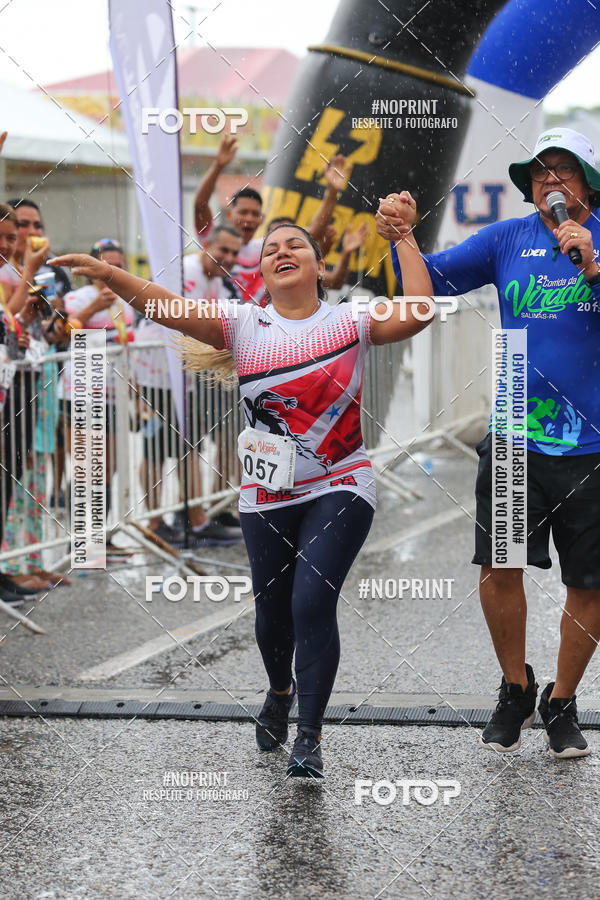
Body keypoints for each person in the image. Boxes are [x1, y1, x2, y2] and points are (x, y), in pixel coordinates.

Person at [50, 223, 434, 778]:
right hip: (266, 492)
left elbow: (419, 312)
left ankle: (309, 736)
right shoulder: (241, 325)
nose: (282, 252)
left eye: (295, 245)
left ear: (320, 268)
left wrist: (402, 238)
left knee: (310, 603)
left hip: (340, 483)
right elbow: (167, 307)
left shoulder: (352, 319)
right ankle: (280, 690)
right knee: (271, 616)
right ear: (262, 273)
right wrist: (112, 274)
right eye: (272, 248)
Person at [377, 126, 600, 759]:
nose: (549, 180)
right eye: (539, 171)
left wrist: (592, 263)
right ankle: (515, 687)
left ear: (589, 180)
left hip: (593, 444)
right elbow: (431, 283)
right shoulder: (507, 239)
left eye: (563, 169)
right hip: (512, 436)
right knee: (499, 566)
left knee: (591, 584)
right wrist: (402, 239)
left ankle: (563, 701)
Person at [194, 132, 351, 304]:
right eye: (243, 212)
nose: (249, 218)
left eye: (255, 214)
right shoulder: (215, 242)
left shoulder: (264, 249)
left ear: (261, 219)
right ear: (230, 214)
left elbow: (314, 230)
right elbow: (200, 205)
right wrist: (218, 166)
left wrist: (332, 192)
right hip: (217, 326)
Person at [61, 239, 135, 561]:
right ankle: (78, 540)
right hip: (80, 391)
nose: (111, 270)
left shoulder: (128, 300)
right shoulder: (77, 297)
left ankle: (99, 537)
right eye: (106, 264)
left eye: (118, 265)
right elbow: (66, 331)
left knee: (108, 469)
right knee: (85, 468)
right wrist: (94, 308)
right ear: (90, 268)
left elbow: (125, 345)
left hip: (112, 393)